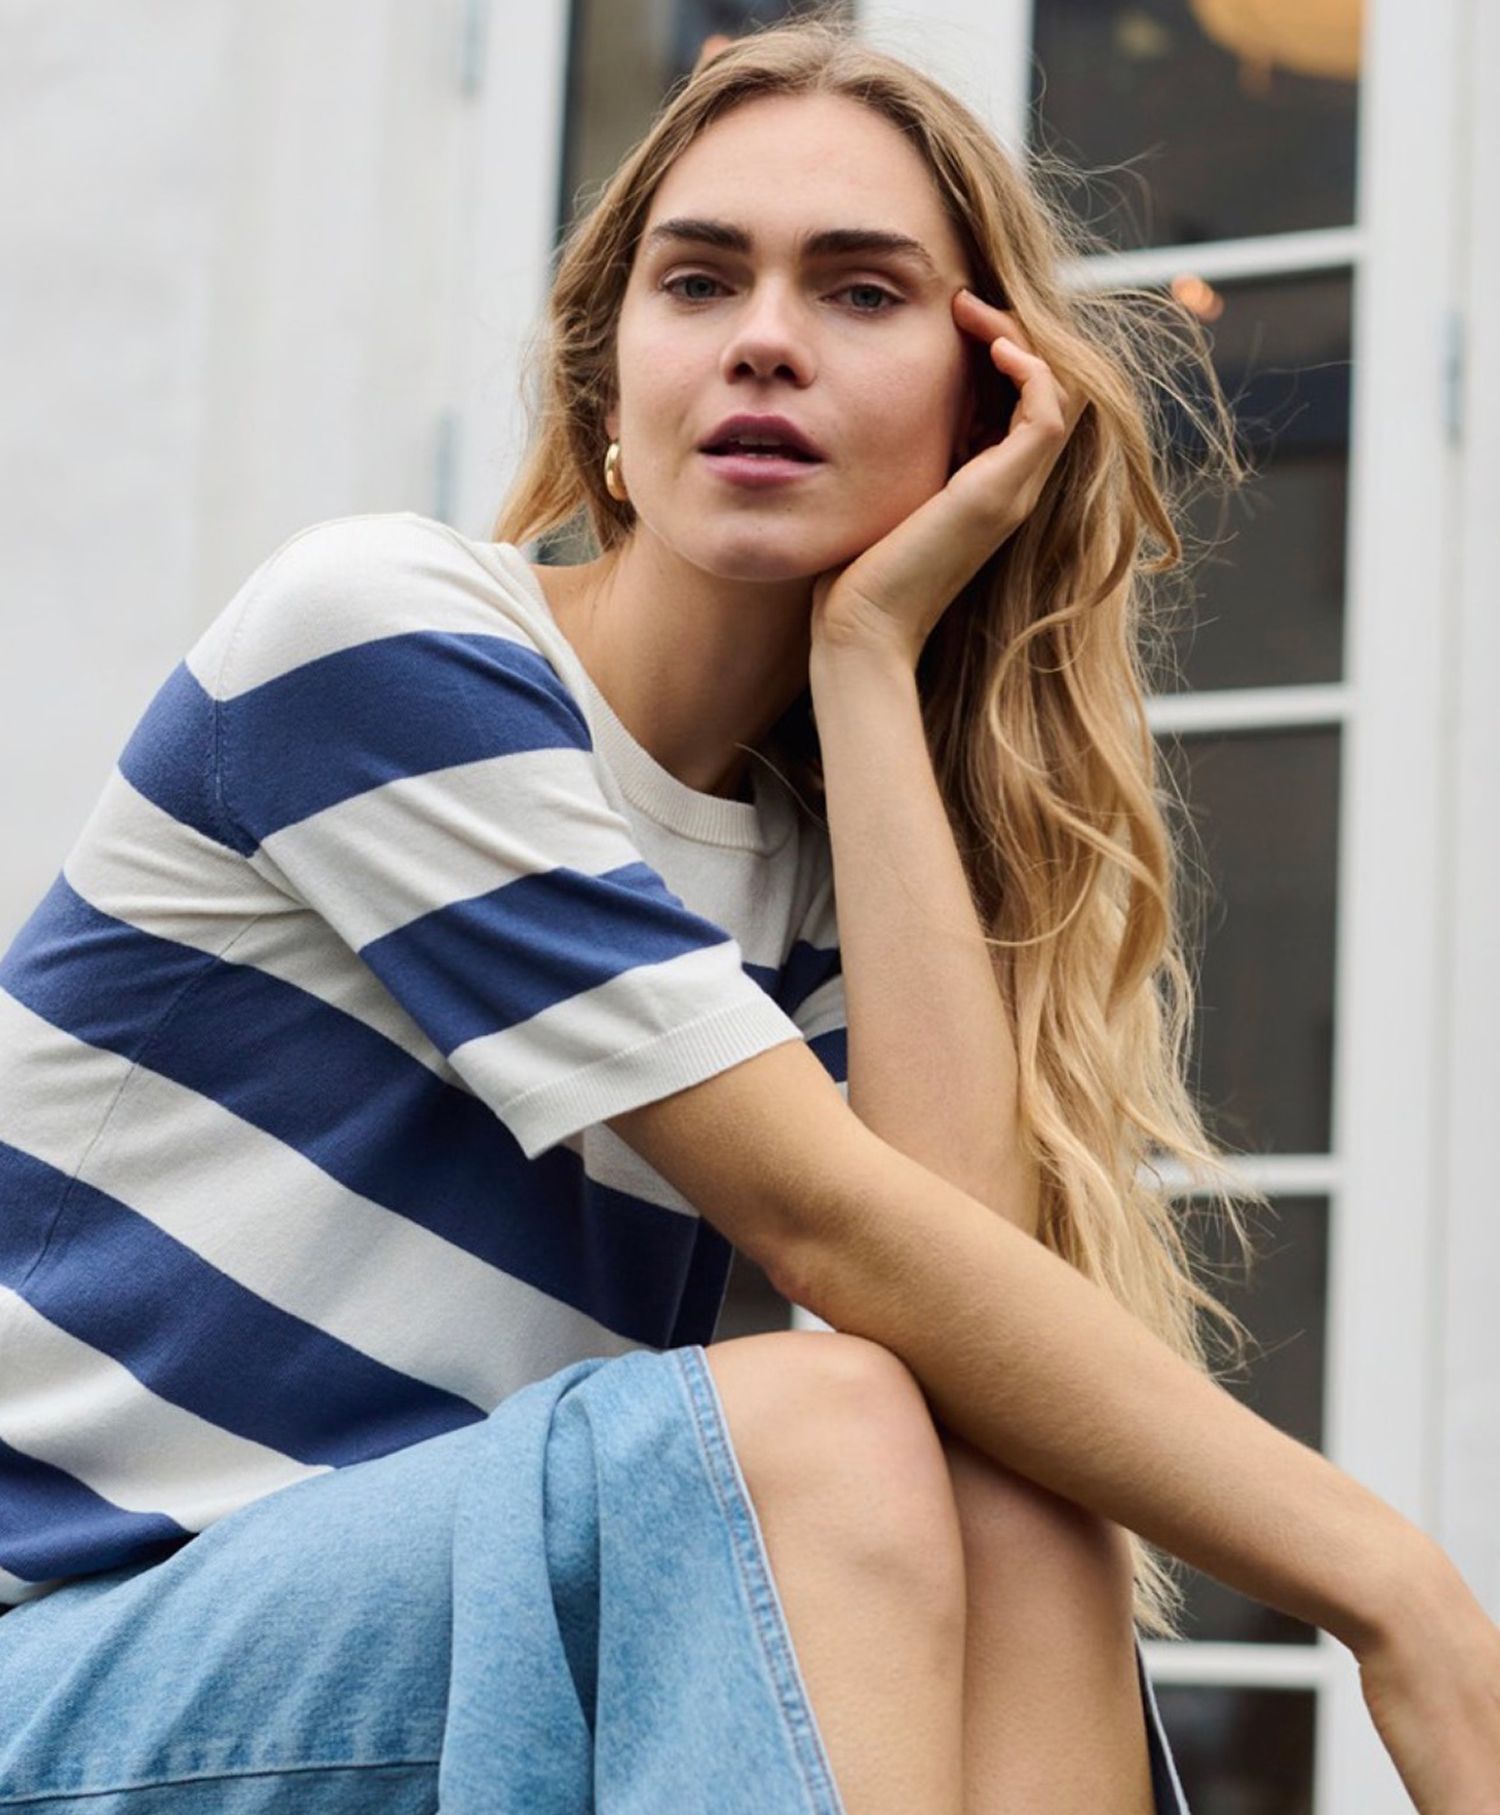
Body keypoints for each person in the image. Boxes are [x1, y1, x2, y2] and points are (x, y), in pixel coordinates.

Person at [1, 10, 1496, 1812]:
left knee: (1006, 1483)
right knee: (819, 1429)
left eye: (862, 294)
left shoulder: (824, 863)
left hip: (426, 1671)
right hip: (69, 1665)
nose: (766, 339)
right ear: (606, 391)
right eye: (701, 283)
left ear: (983, 408)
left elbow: (964, 1324)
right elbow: (838, 1234)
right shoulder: (382, 641)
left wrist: (867, 662)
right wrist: (1397, 1594)